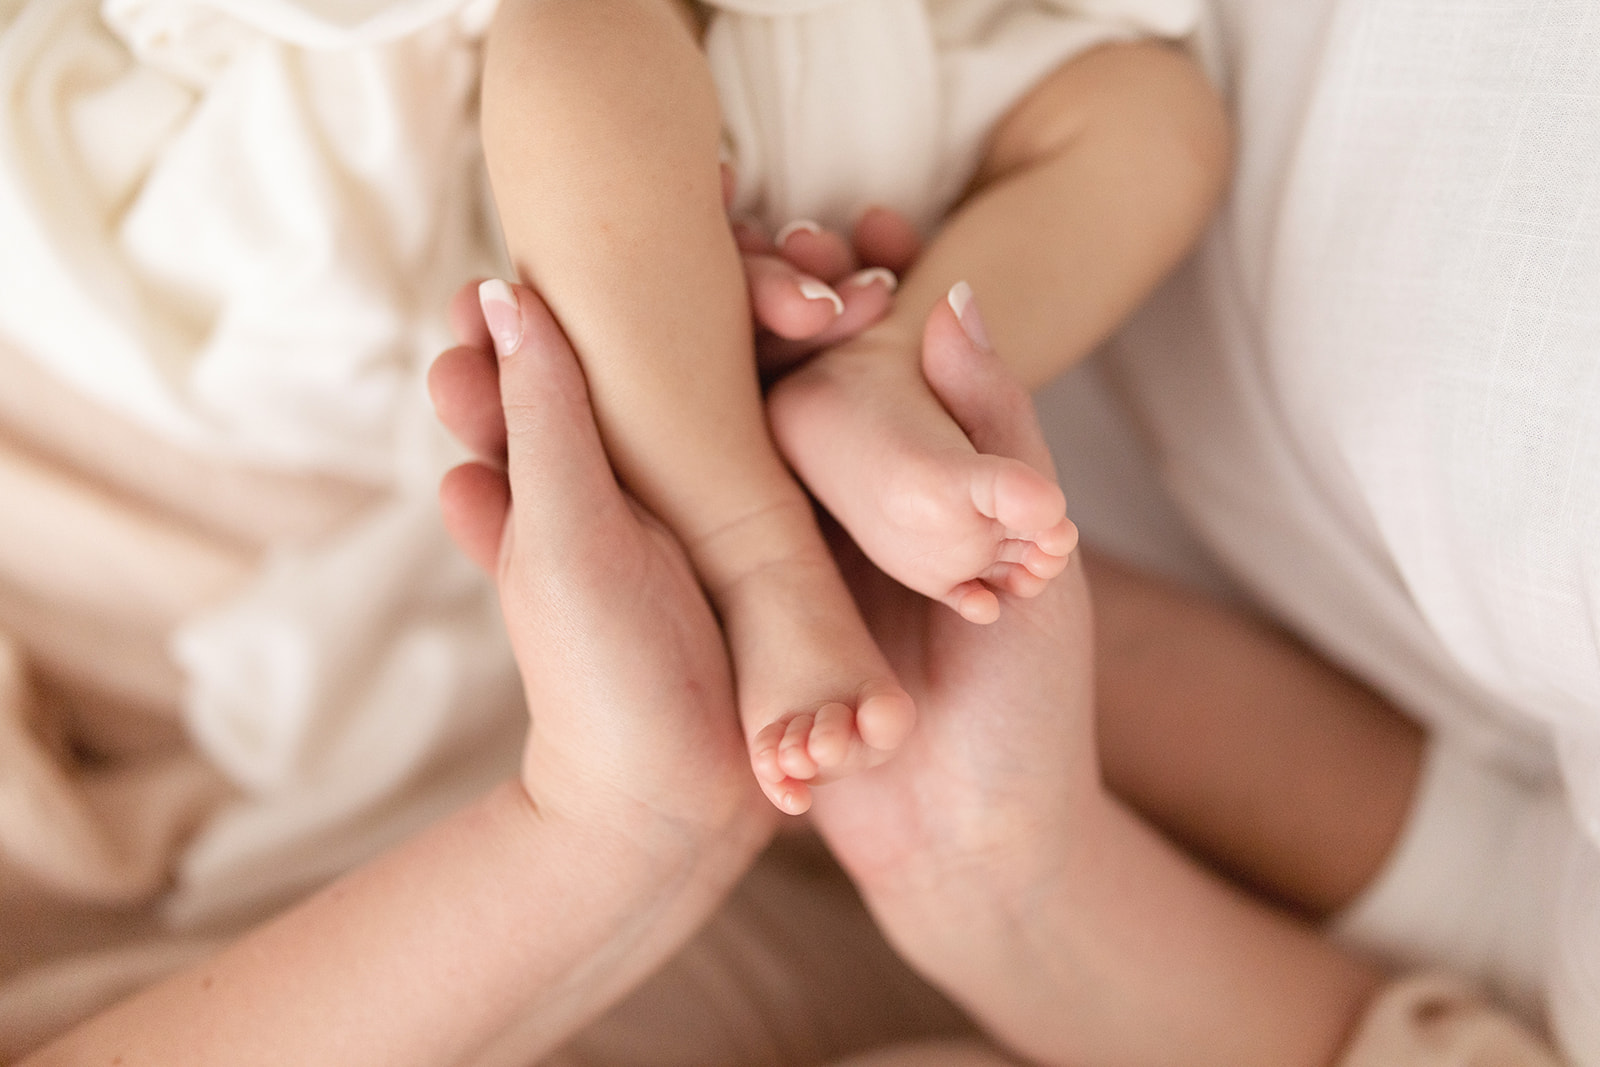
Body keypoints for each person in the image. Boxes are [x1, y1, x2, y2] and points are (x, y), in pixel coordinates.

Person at [478, 0, 1228, 811]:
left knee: (1162, 121)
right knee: (573, 39)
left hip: (945, 59)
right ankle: (755, 559)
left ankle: (886, 371)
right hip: (672, 52)